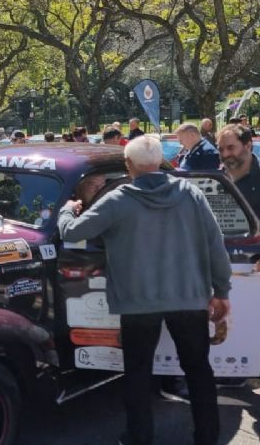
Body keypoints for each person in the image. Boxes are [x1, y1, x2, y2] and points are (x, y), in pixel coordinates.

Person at [58, 136, 230, 445]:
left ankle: (139, 438)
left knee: (137, 374)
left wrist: (68, 210)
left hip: (138, 305)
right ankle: (208, 438)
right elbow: (215, 245)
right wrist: (222, 291)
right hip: (189, 298)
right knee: (199, 372)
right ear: (158, 162)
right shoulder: (191, 194)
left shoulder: (118, 200)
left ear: (129, 166)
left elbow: (73, 232)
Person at [217, 124, 260, 220]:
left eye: (230, 148)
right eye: (221, 149)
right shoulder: (215, 180)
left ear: (248, 145)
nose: (225, 154)